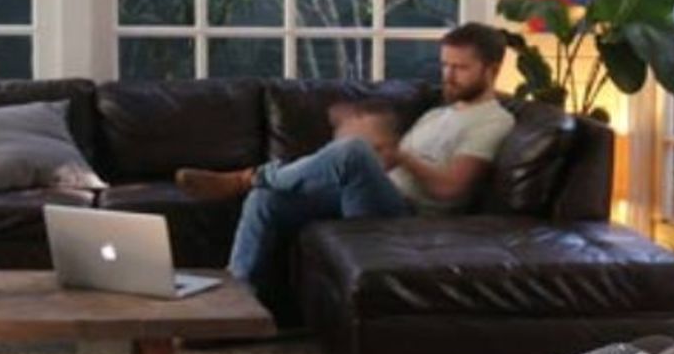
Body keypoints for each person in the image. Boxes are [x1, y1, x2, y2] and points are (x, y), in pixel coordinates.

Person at [175, 22, 517, 313]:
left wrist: (396, 154)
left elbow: (451, 189)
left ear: (492, 69)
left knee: (351, 151)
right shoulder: (438, 113)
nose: (448, 76)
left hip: (412, 217)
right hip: (383, 194)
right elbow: (395, 164)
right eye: (445, 65)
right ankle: (233, 305)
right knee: (267, 198)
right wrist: (379, 150)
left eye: (460, 68)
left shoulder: (493, 121)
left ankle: (248, 177)